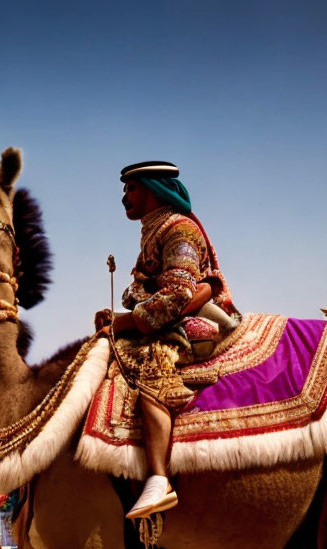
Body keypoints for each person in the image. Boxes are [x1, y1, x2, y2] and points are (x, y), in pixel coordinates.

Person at [97, 161, 238, 519]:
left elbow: (178, 294)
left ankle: (159, 479)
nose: (124, 197)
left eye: (131, 189)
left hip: (192, 319)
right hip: (166, 316)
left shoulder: (178, 229)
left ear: (152, 189)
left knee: (154, 371)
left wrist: (126, 321)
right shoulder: (154, 229)